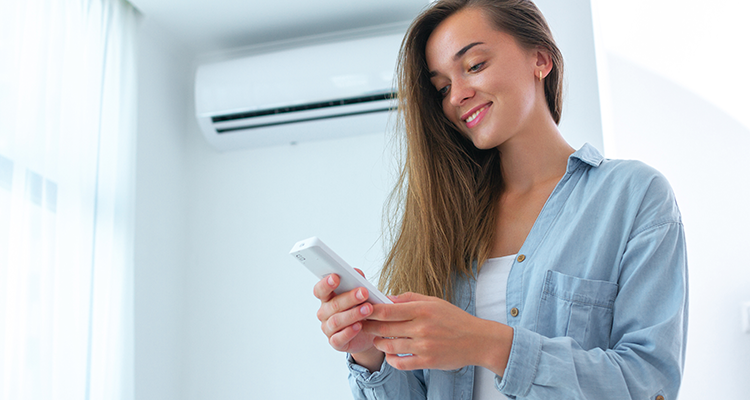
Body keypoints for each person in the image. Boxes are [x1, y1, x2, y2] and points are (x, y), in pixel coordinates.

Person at [312, 0, 688, 399]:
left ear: (540, 59)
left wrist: (486, 343)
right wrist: (371, 352)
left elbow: (651, 385)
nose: (457, 95)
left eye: (474, 65)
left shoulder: (632, 196)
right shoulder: (445, 218)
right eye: (442, 87)